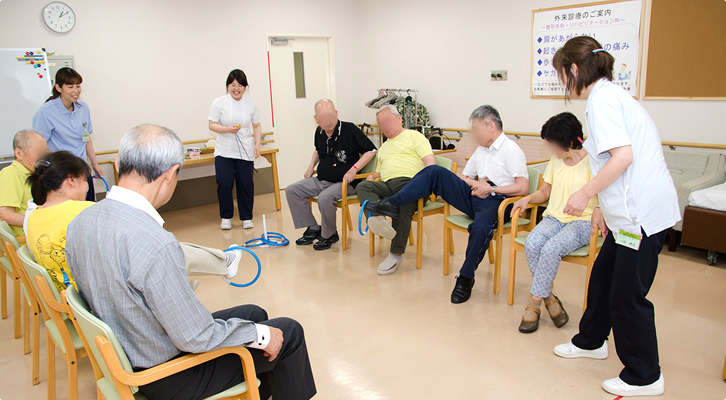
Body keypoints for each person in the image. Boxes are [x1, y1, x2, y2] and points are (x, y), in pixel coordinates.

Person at [66, 125, 316, 400]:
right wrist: (264, 336)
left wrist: (256, 331)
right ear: (171, 174)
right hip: (166, 376)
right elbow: (195, 337)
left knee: (255, 314)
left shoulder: (80, 222)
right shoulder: (155, 243)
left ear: (118, 164)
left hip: (128, 347)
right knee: (287, 334)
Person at [551, 36, 679, 397]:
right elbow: (606, 159)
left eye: (562, 73)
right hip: (626, 215)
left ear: (573, 69)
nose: (563, 82)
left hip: (641, 217)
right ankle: (591, 340)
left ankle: (645, 375)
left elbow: (622, 158)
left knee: (627, 296)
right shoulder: (610, 95)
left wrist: (584, 194)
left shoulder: (603, 99)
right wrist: (602, 210)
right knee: (604, 279)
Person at [364, 105, 528, 302]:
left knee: (480, 227)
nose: (473, 134)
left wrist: (492, 189)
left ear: (491, 126)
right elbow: (465, 177)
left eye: (476, 129)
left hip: (497, 201)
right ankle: (391, 204)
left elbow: (522, 188)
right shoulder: (481, 150)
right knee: (434, 172)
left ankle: (466, 278)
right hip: (475, 194)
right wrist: (476, 184)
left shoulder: (511, 149)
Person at [25, 150, 243, 293]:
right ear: (71, 181)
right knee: (164, 250)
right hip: (101, 297)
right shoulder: (82, 211)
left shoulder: (33, 216)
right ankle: (222, 263)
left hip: (72, 299)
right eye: (86, 181)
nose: (87, 188)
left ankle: (218, 265)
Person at [510, 112, 598, 333]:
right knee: (532, 243)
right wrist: (528, 198)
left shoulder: (595, 162)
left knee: (551, 248)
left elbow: (605, 199)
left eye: (552, 143)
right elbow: (544, 193)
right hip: (554, 217)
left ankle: (534, 303)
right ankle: (550, 299)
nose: (550, 149)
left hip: (583, 221)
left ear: (568, 142)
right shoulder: (555, 161)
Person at [286, 99, 377, 250]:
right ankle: (313, 227)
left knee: (325, 198)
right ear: (316, 119)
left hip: (346, 183)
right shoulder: (319, 132)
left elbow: (371, 150)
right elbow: (318, 150)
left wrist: (354, 169)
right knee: (292, 190)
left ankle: (329, 234)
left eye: (330, 116)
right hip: (321, 180)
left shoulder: (349, 129)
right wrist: (310, 167)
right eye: (322, 118)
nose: (327, 121)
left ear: (336, 113)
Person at [355, 105, 435, 275]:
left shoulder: (415, 136)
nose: (383, 126)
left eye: (387, 121)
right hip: (388, 184)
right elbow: (379, 172)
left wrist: (426, 182)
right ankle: (379, 216)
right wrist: (371, 178)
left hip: (413, 183)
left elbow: (430, 162)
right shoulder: (384, 147)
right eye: (380, 124)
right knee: (362, 186)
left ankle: (395, 253)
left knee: (402, 202)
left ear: (399, 119)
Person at [32, 67, 103, 201]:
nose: (75, 91)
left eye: (78, 86)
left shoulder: (83, 108)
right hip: (62, 174)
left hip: (82, 170)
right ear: (59, 88)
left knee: (87, 206)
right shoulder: (46, 112)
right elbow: (40, 146)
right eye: (70, 86)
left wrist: (95, 164)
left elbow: (86, 138)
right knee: (68, 212)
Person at [208, 69, 262, 230]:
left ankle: (246, 217)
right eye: (232, 85)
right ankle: (226, 217)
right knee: (224, 183)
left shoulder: (251, 104)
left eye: (240, 85)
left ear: (245, 87)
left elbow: (257, 126)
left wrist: (257, 144)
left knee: (245, 184)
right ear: (227, 86)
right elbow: (211, 124)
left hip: (245, 151)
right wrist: (227, 130)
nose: (236, 88)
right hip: (224, 151)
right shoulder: (219, 102)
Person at [0, 129, 48, 238]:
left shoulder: (34, 173)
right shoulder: (10, 173)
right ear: (19, 153)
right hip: (29, 239)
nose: (44, 156)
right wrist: (43, 224)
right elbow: (6, 215)